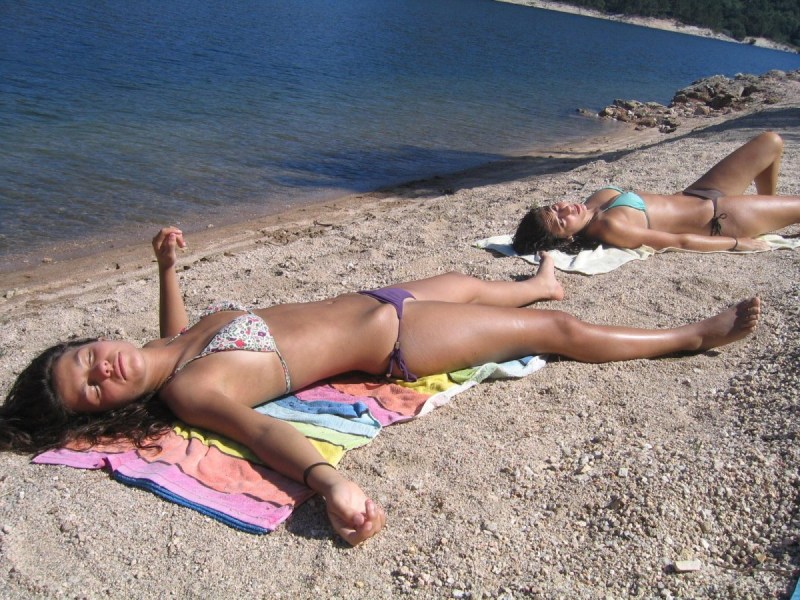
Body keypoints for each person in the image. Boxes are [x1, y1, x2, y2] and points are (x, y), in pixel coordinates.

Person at [1, 227, 761, 545]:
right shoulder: (191, 391)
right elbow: (263, 433)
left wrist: (167, 268)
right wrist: (328, 483)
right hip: (399, 340)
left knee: (473, 285)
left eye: (87, 358)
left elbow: (165, 336)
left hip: (382, 295)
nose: (104, 370)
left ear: (94, 340)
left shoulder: (170, 347)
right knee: (550, 338)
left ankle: (540, 282)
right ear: (112, 409)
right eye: (94, 391)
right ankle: (692, 336)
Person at [512, 131, 800, 255]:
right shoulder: (609, 227)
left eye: (555, 207)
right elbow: (678, 241)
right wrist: (736, 244)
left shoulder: (589, 207)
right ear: (569, 237)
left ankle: (769, 206)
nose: (565, 210)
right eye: (562, 222)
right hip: (722, 219)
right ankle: (768, 212)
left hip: (699, 193)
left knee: (770, 142)